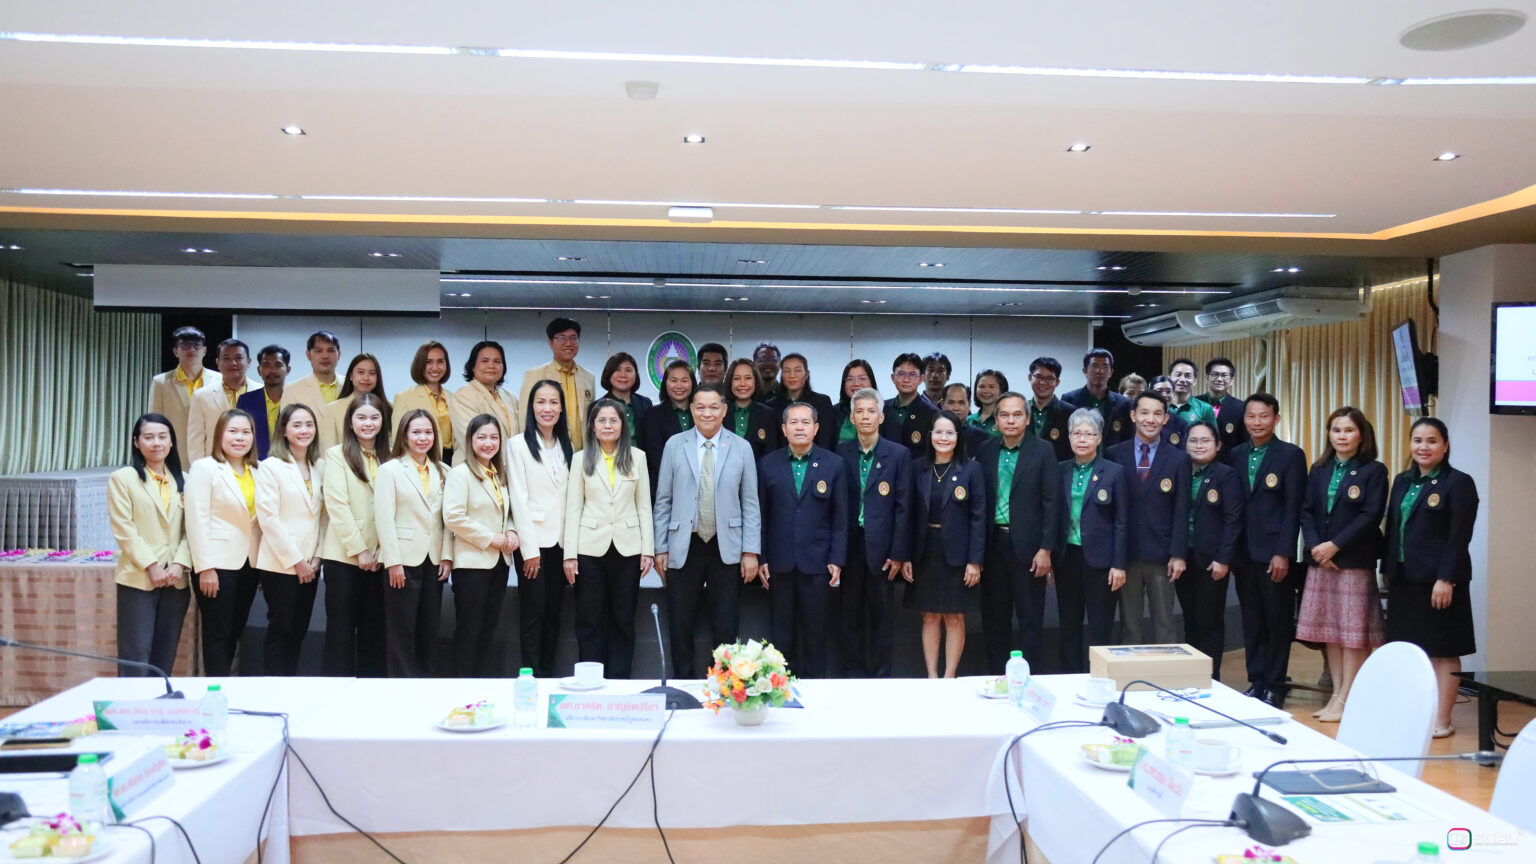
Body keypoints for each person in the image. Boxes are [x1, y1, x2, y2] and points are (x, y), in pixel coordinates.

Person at [652, 382, 761, 677]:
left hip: (727, 547)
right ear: (691, 410)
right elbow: (663, 500)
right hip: (684, 544)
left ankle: (725, 686)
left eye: (714, 407)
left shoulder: (742, 447)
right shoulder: (675, 444)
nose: (707, 413)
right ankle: (683, 685)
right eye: (700, 407)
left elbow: (750, 503)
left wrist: (751, 551)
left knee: (725, 625)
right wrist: (660, 547)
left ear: (724, 410)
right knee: (680, 623)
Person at [1382, 417, 1479, 738]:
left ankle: (1442, 718)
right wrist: (1387, 570)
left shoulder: (1459, 483)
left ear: (1445, 446)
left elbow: (1459, 536)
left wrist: (1446, 578)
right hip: (1404, 580)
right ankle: (1415, 712)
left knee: (1442, 649)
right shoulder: (1402, 481)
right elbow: (1394, 530)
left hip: (1439, 582)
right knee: (1409, 650)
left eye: (1432, 441)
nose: (1424, 447)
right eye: (1418, 440)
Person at [1297, 407, 1387, 722]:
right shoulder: (1319, 468)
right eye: (1336, 430)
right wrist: (1316, 547)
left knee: (1353, 635)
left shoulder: (1374, 470)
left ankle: (1349, 698)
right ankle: (1337, 694)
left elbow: (1370, 515)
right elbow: (1306, 510)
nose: (1342, 436)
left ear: (1362, 435)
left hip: (1353, 561)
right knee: (1331, 632)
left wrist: (1335, 546)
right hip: (1321, 561)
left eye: (1349, 430)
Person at [564, 399, 654, 679]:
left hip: (628, 549)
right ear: (592, 426)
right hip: (589, 549)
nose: (607, 426)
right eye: (601, 420)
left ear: (622, 425)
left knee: (623, 619)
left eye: (613, 420)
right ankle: (591, 680)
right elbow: (574, 508)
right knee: (589, 619)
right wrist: (570, 554)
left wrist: (648, 549)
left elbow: (644, 506)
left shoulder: (637, 457)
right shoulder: (581, 458)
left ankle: (619, 681)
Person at [757, 403, 847, 678]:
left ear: (816, 428)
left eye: (805, 422)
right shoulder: (768, 464)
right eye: (793, 423)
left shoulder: (834, 464)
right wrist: (762, 557)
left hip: (817, 563)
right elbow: (760, 516)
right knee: (782, 632)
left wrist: (836, 558)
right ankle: (780, 688)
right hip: (779, 562)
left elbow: (840, 517)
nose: (799, 428)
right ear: (784, 429)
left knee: (815, 632)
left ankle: (814, 688)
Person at [1229, 393, 1306, 708]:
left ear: (1276, 418)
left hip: (1275, 554)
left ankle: (1275, 684)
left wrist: (1283, 552)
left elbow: (1293, 507)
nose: (1257, 422)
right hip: (1243, 553)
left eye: (1263, 416)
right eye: (1251, 416)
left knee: (1277, 621)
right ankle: (1257, 680)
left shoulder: (1290, 455)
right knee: (1252, 620)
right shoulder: (1235, 454)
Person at [976, 392, 1058, 673]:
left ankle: (1028, 678)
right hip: (992, 546)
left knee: (1030, 619)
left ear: (1027, 418)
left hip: (1030, 549)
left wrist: (1046, 549)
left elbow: (1052, 503)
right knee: (994, 619)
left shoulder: (1043, 450)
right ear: (996, 420)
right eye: (1005, 415)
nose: (1011, 420)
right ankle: (997, 677)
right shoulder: (985, 450)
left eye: (1017, 414)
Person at [108, 414, 192, 679]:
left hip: (176, 580)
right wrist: (151, 565)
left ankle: (158, 703)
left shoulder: (185, 479)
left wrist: (180, 563)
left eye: (162, 437)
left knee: (164, 656)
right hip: (139, 578)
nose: (156, 443)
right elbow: (124, 529)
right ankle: (133, 704)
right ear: (136, 442)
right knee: (135, 656)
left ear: (171, 442)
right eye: (149, 437)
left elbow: (192, 530)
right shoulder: (123, 478)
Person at [903, 412, 986, 678]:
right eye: (938, 432)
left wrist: (975, 561)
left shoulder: (971, 469)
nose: (943, 437)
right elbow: (907, 514)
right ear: (930, 435)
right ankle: (932, 676)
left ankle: (949, 676)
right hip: (924, 551)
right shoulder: (916, 467)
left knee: (954, 616)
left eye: (950, 432)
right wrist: (905, 556)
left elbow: (978, 517)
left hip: (958, 554)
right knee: (929, 615)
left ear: (958, 437)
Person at [836, 387, 912, 678]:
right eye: (860, 412)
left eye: (871, 411)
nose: (865, 416)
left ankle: (882, 677)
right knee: (849, 616)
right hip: (850, 546)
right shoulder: (840, 453)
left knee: (882, 617)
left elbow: (904, 507)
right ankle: (853, 674)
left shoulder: (898, 454)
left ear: (881, 416)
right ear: (852, 418)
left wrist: (899, 552)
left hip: (883, 549)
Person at [1105, 392, 1191, 645]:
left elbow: (1182, 509)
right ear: (1133, 416)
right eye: (1144, 413)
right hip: (1126, 554)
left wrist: (1178, 554)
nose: (1150, 419)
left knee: (1165, 623)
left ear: (1166, 419)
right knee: (1129, 624)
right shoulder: (1114, 454)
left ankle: (1165, 668)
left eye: (1157, 414)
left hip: (1162, 554)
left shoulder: (1179, 459)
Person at [375, 409, 453, 678]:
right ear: (404, 435)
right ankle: (401, 685)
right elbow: (384, 519)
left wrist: (447, 556)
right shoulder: (390, 469)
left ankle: (425, 682)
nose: (423, 437)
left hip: (434, 559)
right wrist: (393, 562)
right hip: (402, 559)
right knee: (401, 629)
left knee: (429, 627)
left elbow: (447, 520)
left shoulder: (444, 470)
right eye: (416, 432)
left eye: (428, 432)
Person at [185, 409, 263, 676]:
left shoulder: (259, 470)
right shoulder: (204, 468)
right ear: (220, 434)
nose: (240, 438)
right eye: (233, 431)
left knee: (235, 630)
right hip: (216, 565)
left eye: (246, 432)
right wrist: (205, 568)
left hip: (250, 563)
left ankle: (225, 685)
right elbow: (196, 520)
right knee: (217, 634)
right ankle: (215, 689)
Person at [506, 382, 575, 678]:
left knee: (553, 613)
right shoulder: (518, 444)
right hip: (533, 543)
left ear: (561, 408)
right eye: (541, 402)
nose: (547, 408)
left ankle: (547, 674)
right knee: (533, 613)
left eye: (553, 402)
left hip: (561, 543)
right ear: (531, 407)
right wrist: (529, 551)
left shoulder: (567, 445)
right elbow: (518, 498)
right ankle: (530, 676)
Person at [320, 393, 390, 677]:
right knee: (340, 633)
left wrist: (381, 551)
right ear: (350, 422)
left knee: (375, 633)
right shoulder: (336, 455)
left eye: (374, 417)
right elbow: (337, 506)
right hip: (344, 557)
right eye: (361, 417)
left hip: (380, 559)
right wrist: (360, 550)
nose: (368, 423)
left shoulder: (391, 455)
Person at [253, 403, 325, 676]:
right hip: (281, 563)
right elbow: (268, 519)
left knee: (299, 631)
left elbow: (323, 516)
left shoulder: (319, 465)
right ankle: (274, 687)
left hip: (311, 563)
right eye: (297, 425)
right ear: (283, 430)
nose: (304, 430)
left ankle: (290, 685)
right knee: (281, 629)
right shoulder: (271, 466)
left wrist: (317, 557)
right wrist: (297, 561)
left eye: (309, 424)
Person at [1055, 408, 1129, 673]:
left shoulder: (1114, 472)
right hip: (1067, 558)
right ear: (1069, 437)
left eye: (1089, 434)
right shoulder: (1060, 470)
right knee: (1069, 624)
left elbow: (1122, 521)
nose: (1082, 439)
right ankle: (1070, 676)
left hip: (1101, 561)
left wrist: (1118, 564)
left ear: (1099, 438)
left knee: (1100, 625)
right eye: (1077, 433)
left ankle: (1098, 677)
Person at [1177, 421, 1243, 680]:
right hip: (1184, 559)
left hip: (1212, 561)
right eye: (1193, 440)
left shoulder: (1226, 475)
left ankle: (1211, 679)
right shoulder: (1181, 472)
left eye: (1205, 440)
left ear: (1218, 445)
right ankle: (1192, 677)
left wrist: (1223, 559)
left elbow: (1233, 519)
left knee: (1209, 622)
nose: (1199, 445)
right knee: (1190, 620)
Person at [521, 317, 596, 450]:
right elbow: (524, 416)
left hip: (582, 453)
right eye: (562, 338)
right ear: (550, 342)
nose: (569, 343)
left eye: (574, 338)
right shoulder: (534, 375)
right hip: (546, 450)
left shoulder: (588, 377)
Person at [187, 339, 259, 461]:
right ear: (218, 363)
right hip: (215, 464)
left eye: (238, 358)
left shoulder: (263, 392)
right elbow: (195, 441)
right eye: (226, 358)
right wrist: (199, 467)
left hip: (254, 463)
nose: (233, 363)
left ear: (248, 361)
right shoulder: (201, 396)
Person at [147, 326, 207, 470]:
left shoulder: (219, 380)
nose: (191, 349)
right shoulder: (161, 382)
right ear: (175, 351)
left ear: (204, 351)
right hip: (175, 453)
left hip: (209, 454)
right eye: (185, 345)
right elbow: (155, 422)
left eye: (196, 345)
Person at [451, 340, 519, 466]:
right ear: (472, 366)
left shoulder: (511, 397)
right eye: (485, 361)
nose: (491, 366)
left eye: (497, 361)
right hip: (475, 470)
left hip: (509, 470)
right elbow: (474, 440)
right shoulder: (463, 396)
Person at [393, 341, 459, 465]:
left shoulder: (454, 398)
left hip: (453, 461)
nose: (435, 367)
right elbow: (398, 442)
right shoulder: (404, 398)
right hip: (420, 461)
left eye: (440, 361)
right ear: (420, 364)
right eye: (429, 362)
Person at [638, 360, 696, 494]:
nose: (679, 385)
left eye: (684, 380)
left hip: (700, 485)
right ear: (665, 383)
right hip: (665, 487)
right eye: (673, 380)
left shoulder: (702, 413)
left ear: (692, 383)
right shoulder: (653, 415)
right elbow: (655, 456)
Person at [1061, 348, 1132, 448]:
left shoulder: (1124, 403)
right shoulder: (1069, 399)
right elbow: (1064, 437)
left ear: (1111, 372)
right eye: (1094, 366)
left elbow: (1128, 439)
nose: (1100, 371)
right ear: (1085, 371)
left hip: (1112, 457)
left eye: (1105, 366)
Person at [323, 353, 389, 453]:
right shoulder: (332, 409)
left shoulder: (389, 407)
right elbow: (328, 449)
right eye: (360, 372)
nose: (366, 378)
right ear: (350, 376)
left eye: (372, 373)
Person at [771, 353, 837, 450]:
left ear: (806, 374)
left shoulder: (822, 402)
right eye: (787, 371)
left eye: (797, 370)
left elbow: (826, 440)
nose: (792, 375)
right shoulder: (772, 406)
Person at [236, 344, 290, 460]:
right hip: (255, 464)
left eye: (278, 365)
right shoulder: (246, 401)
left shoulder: (296, 398)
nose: (272, 370)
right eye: (266, 365)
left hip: (291, 463)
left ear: (288, 370)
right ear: (259, 370)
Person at [882, 352, 939, 459]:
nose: (906, 380)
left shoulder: (932, 413)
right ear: (893, 378)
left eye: (912, 374)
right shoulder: (881, 408)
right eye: (901, 374)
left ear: (921, 379)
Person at [725, 358, 781, 460]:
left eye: (748, 378)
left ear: (756, 381)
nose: (742, 384)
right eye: (737, 378)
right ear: (730, 382)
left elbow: (771, 453)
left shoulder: (768, 414)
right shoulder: (720, 412)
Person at [281, 330, 344, 415]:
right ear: (308, 355)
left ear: (339, 354)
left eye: (330, 350)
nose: (325, 356)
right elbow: (287, 421)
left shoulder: (351, 386)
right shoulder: (292, 390)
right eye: (319, 351)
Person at [1197, 357, 1249, 458]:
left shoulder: (1241, 408)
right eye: (1215, 375)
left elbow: (1244, 443)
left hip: (1228, 464)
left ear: (1231, 380)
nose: (1219, 379)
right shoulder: (1194, 403)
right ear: (1207, 378)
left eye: (1224, 376)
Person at [1026, 357, 1076, 461]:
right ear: (1030, 377)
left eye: (1049, 378)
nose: (1043, 382)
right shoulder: (1020, 410)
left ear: (1057, 382)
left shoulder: (1070, 413)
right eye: (1038, 377)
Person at [600, 352, 653, 438]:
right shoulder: (598, 406)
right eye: (617, 369)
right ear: (608, 373)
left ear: (636, 374)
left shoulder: (645, 404)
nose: (623, 375)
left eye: (628, 370)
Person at [832, 359, 877, 446]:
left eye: (862, 378)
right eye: (850, 379)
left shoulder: (885, 412)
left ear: (871, 381)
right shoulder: (832, 412)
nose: (856, 383)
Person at [1167, 358, 1218, 429]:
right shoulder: (1161, 406)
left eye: (1188, 376)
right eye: (1178, 375)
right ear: (1169, 378)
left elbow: (1212, 435)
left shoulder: (1205, 409)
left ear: (1194, 381)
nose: (1182, 379)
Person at [943, 384, 990, 454]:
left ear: (969, 404)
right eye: (951, 403)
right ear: (942, 404)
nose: (956, 408)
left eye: (961, 403)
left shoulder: (982, 438)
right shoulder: (931, 434)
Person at [1148, 376, 1191, 448]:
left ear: (1173, 394)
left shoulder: (1181, 424)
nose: (1164, 395)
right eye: (1159, 391)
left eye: (1168, 391)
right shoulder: (1141, 420)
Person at [966, 369, 1008, 438]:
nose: (986, 391)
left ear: (1001, 390)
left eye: (991, 387)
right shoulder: (968, 420)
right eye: (982, 386)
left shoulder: (1007, 420)